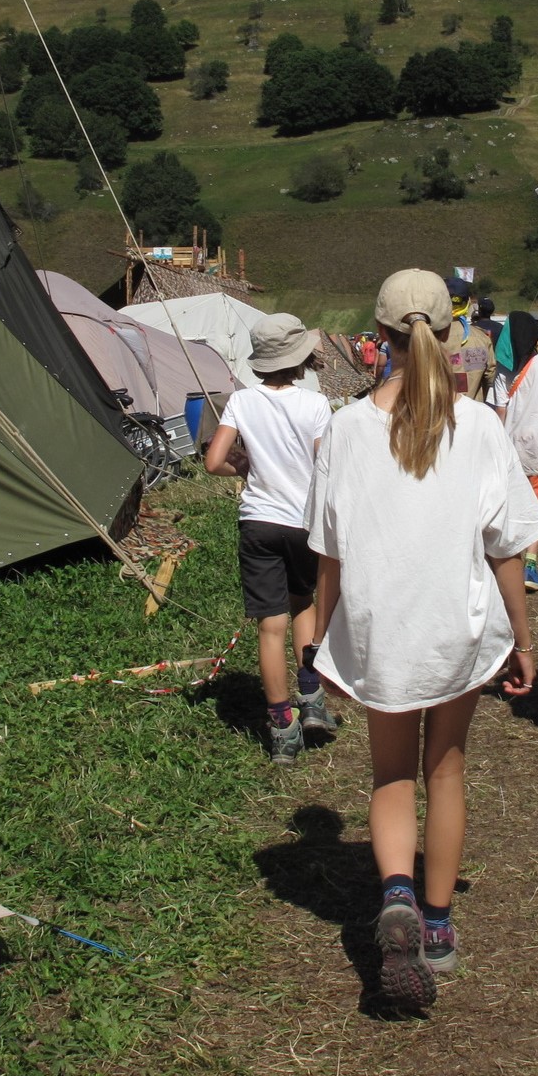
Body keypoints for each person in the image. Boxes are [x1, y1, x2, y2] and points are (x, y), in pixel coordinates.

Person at [307, 268, 538, 1010]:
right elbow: (507, 548)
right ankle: (436, 926)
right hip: (457, 628)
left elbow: (329, 554)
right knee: (446, 770)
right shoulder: (479, 426)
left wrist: (320, 644)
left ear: (378, 336)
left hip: (381, 630)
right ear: (448, 333)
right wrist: (524, 639)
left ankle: (397, 893)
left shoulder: (345, 429)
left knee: (390, 776)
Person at [203, 313, 337, 765]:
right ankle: (312, 698)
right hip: (303, 524)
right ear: (299, 359)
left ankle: (282, 728)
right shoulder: (315, 405)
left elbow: (213, 461)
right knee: (304, 604)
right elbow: (325, 467)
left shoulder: (241, 402)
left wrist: (241, 466)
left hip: (258, 523)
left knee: (269, 627)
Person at [489, 310, 538, 592]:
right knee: (537, 505)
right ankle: (530, 565)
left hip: (510, 446)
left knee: (510, 503)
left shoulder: (503, 370)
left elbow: (500, 412)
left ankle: (507, 560)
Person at [444, 276, 496, 401]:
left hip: (439, 410)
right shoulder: (482, 338)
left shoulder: (428, 339)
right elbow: (491, 378)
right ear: (468, 303)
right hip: (474, 410)